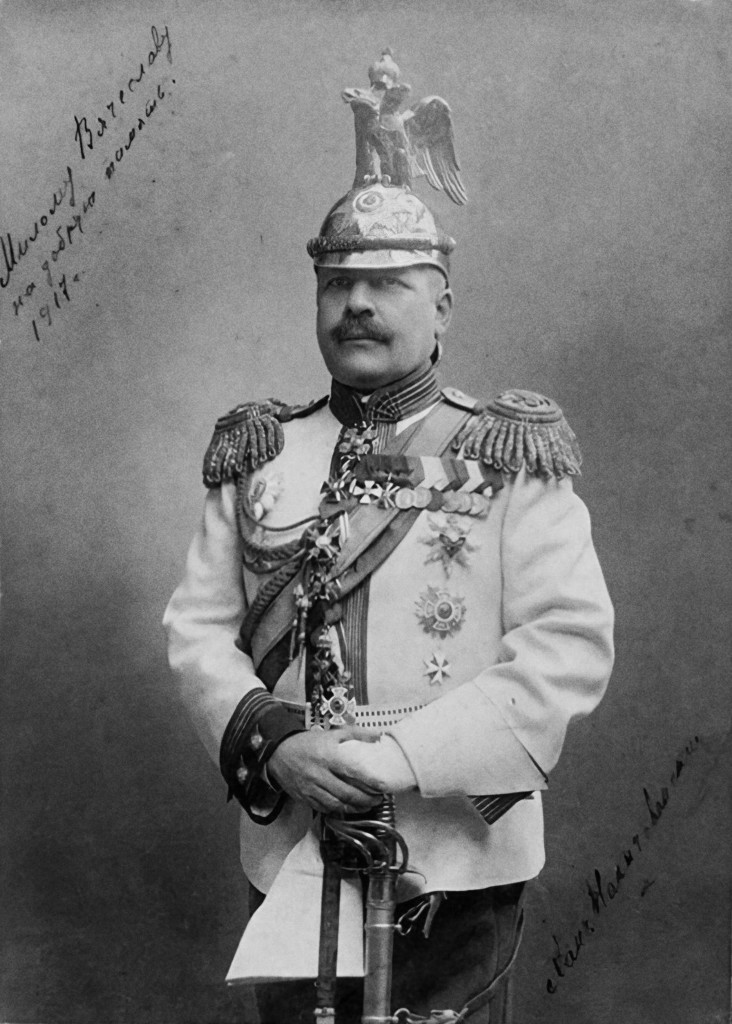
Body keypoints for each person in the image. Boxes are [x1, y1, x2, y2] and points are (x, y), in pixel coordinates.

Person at [164, 55, 614, 1024]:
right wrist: (275, 742)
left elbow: (566, 647)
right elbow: (197, 632)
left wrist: (399, 759)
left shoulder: (508, 454)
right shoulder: (260, 453)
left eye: (387, 283)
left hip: (455, 847)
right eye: (338, 284)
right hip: (293, 837)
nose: (358, 304)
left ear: (441, 304)